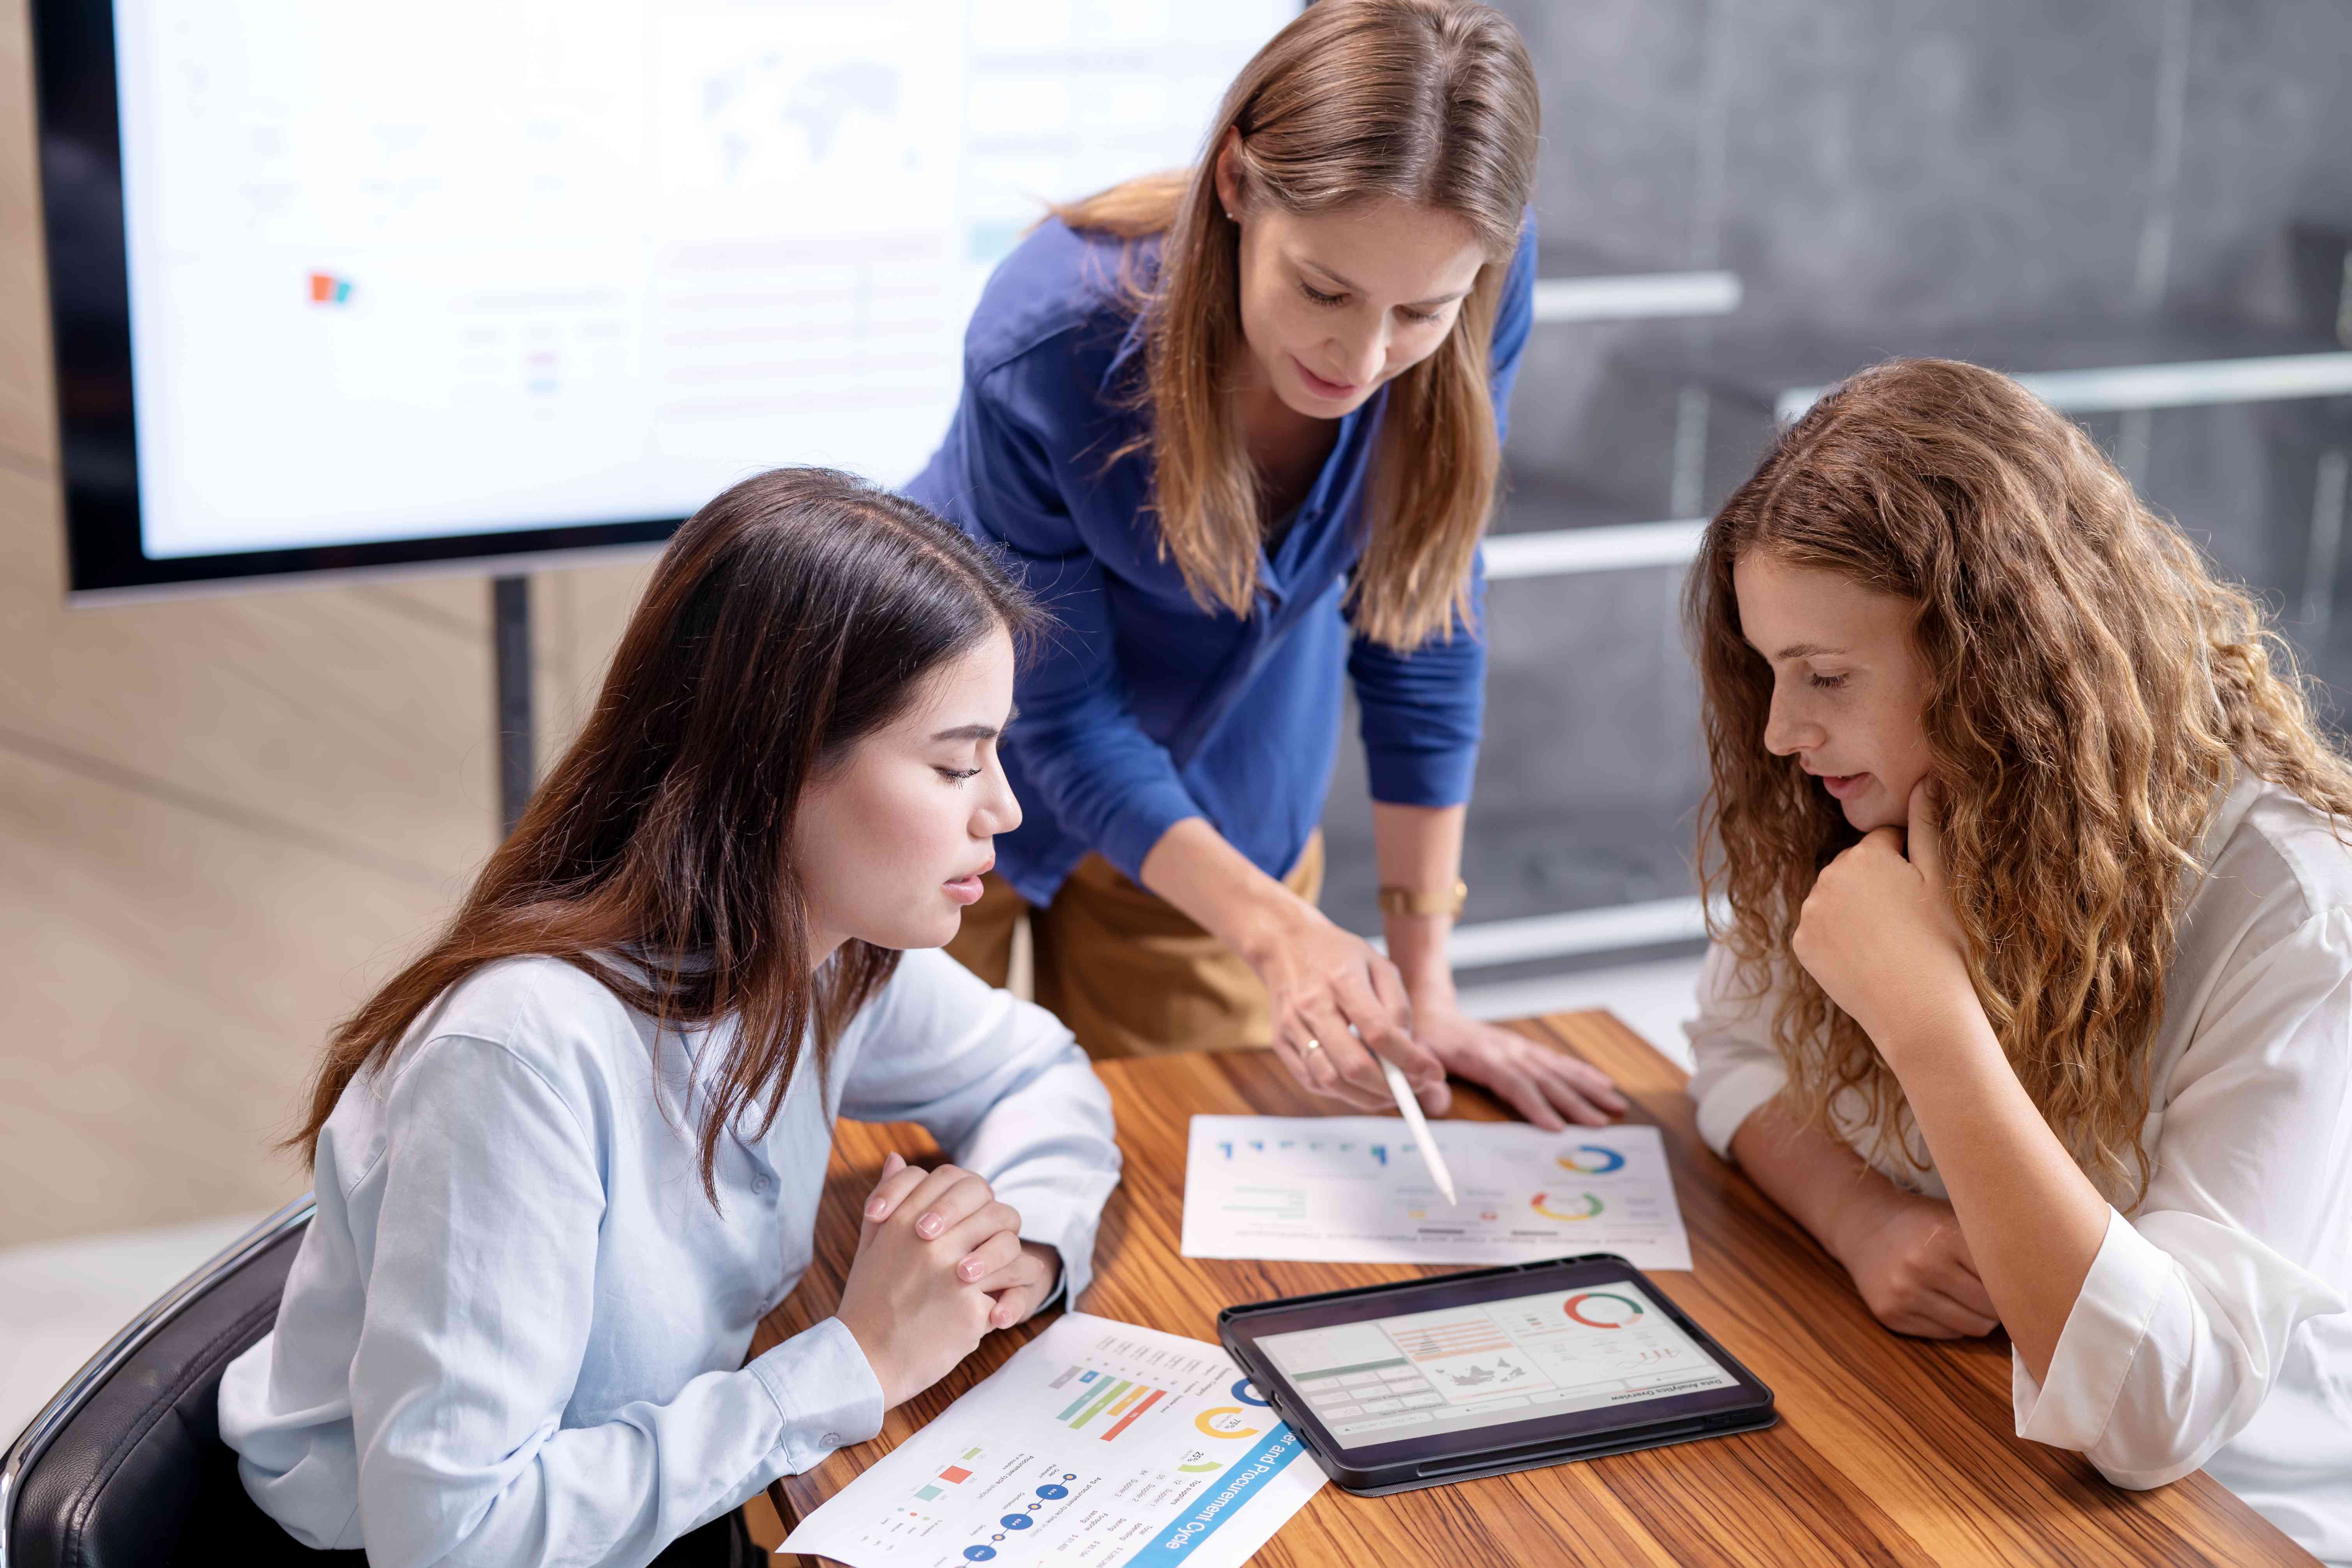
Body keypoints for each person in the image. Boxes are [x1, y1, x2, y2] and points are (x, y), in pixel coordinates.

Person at [218, 470, 1121, 1568]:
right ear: (778, 765)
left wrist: (1016, 1239)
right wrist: (859, 1362)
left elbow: (1038, 1071)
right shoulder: (518, 1055)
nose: (1003, 809)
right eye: (953, 764)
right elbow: (450, 1539)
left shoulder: (828, 953)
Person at [908, 0, 1625, 1132]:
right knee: (893, 1147)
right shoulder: (1050, 338)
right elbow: (1057, 718)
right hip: (955, 747)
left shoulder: (1480, 267)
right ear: (1236, 183)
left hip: (1227, 785)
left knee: (1192, 1149)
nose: (1363, 355)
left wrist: (1424, 982)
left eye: (1419, 314)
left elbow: (1423, 613)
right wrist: (1282, 934)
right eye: (1323, 290)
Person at [1683, 358, 2352, 1563]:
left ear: (2001, 660)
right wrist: (1861, 1218)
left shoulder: (2290, 907)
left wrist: (1931, 1026)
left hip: (2221, 1517)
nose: (1781, 734)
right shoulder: (1870, 808)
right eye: (1770, 671)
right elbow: (1732, 1052)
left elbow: (2157, 1418)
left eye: (1827, 679)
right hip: (1959, 1431)